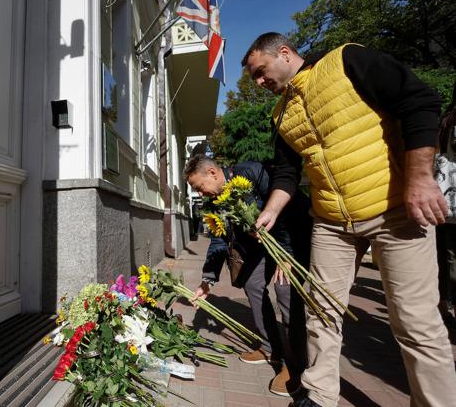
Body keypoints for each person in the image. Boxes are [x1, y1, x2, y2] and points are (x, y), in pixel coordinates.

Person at [241, 32, 456, 407]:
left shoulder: (347, 61)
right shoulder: (281, 113)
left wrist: (421, 179)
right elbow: (287, 174)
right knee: (320, 311)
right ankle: (320, 396)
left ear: (286, 54)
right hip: (331, 224)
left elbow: (418, 100)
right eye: (254, 79)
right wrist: (271, 210)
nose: (260, 83)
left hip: (394, 210)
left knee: (415, 323)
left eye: (260, 72)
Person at [185, 155, 312, 397]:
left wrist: (286, 256)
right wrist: (207, 280)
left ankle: (296, 366)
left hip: (294, 236)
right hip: (265, 244)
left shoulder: (252, 174)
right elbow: (219, 238)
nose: (200, 194)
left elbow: (284, 212)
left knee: (285, 288)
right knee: (252, 283)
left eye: (199, 187)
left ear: (212, 173)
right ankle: (271, 347)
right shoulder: (218, 199)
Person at [437, 81, 456, 330]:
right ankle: (445, 303)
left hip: (445, 195)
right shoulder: (451, 122)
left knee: (446, 253)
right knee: (450, 254)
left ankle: (444, 302)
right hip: (451, 197)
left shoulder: (446, 120)